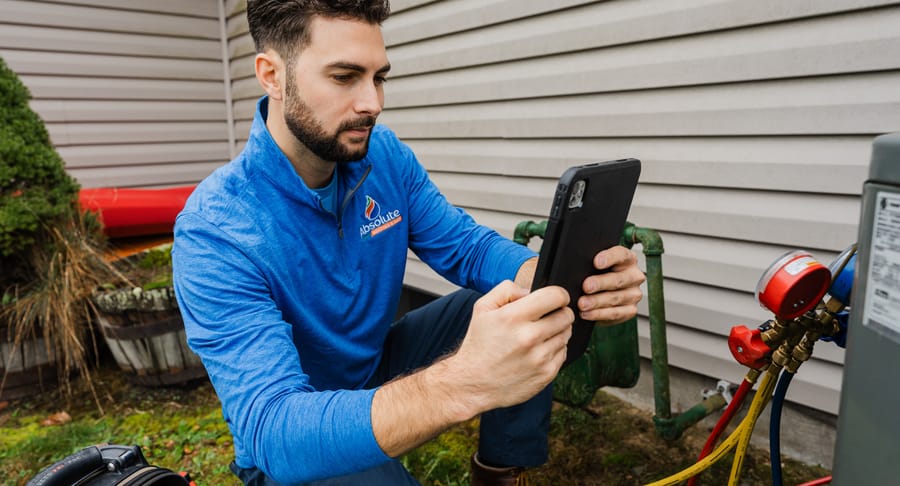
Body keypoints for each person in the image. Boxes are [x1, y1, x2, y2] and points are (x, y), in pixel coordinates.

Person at [172, 1, 645, 485]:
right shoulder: (216, 232)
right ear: (272, 75)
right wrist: (462, 384)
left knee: (524, 303)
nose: (372, 103)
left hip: (377, 365)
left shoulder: (383, 156)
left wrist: (556, 280)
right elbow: (275, 429)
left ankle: (499, 472)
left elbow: (466, 246)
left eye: (379, 78)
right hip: (296, 433)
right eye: (344, 77)